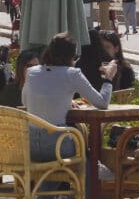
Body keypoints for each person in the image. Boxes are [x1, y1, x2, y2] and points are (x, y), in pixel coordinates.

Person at [22, 33, 116, 197]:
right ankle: (90, 184)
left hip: (31, 146)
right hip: (57, 146)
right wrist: (108, 78)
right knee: (86, 158)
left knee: (73, 155)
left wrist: (59, 102)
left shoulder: (31, 72)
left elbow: (26, 102)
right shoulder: (72, 73)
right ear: (71, 56)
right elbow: (102, 102)